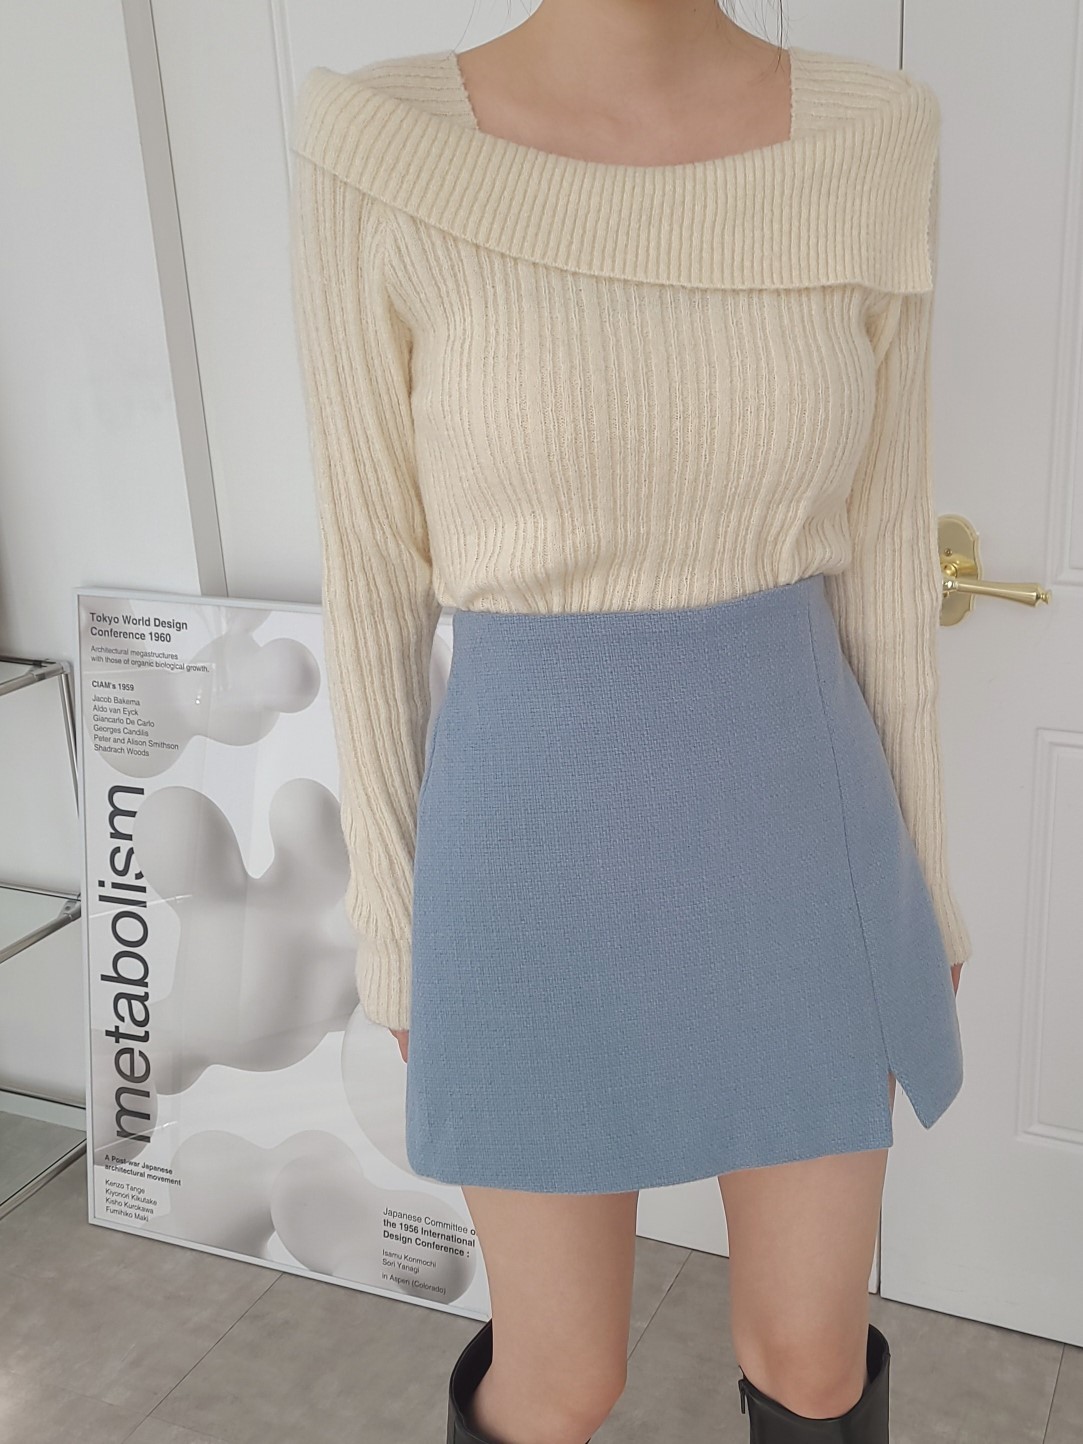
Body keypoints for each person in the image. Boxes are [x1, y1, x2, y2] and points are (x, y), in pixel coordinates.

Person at [289, 3, 970, 1440]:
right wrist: (395, 930)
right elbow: (371, 583)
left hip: (802, 836)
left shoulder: (873, 138)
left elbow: (890, 558)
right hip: (527, 847)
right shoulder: (376, 146)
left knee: (811, 1360)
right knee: (560, 1383)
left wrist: (931, 887)